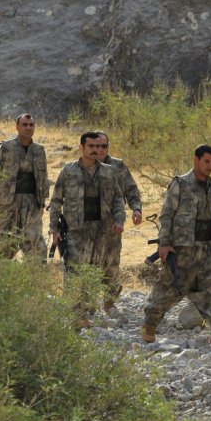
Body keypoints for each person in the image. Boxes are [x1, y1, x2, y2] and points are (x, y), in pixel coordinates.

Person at [142, 145, 211, 343]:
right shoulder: (180, 184)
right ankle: (149, 325)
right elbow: (167, 214)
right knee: (170, 287)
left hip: (207, 247)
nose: (210, 166)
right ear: (196, 160)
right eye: (206, 161)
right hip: (184, 248)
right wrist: (164, 243)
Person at [49, 132, 124, 324]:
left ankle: (85, 311)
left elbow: (118, 198)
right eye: (91, 146)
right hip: (75, 232)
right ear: (81, 147)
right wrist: (54, 229)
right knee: (74, 270)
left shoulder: (108, 172)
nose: (95, 150)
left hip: (100, 232)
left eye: (98, 146)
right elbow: (56, 200)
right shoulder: (68, 171)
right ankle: (75, 314)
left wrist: (119, 220)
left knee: (93, 270)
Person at [0, 113, 49, 256]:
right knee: (4, 248)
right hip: (8, 204)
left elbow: (43, 178)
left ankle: (35, 271)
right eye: (24, 125)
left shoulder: (39, 150)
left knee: (37, 249)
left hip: (32, 205)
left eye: (31, 125)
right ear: (17, 127)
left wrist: (42, 203)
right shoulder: (6, 147)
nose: (28, 128)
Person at [96, 130, 143, 311]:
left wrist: (136, 209)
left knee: (112, 263)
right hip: (86, 226)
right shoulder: (81, 166)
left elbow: (131, 190)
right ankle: (84, 304)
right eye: (96, 146)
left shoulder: (118, 166)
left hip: (112, 225)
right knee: (86, 263)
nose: (100, 149)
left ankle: (109, 302)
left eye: (104, 146)